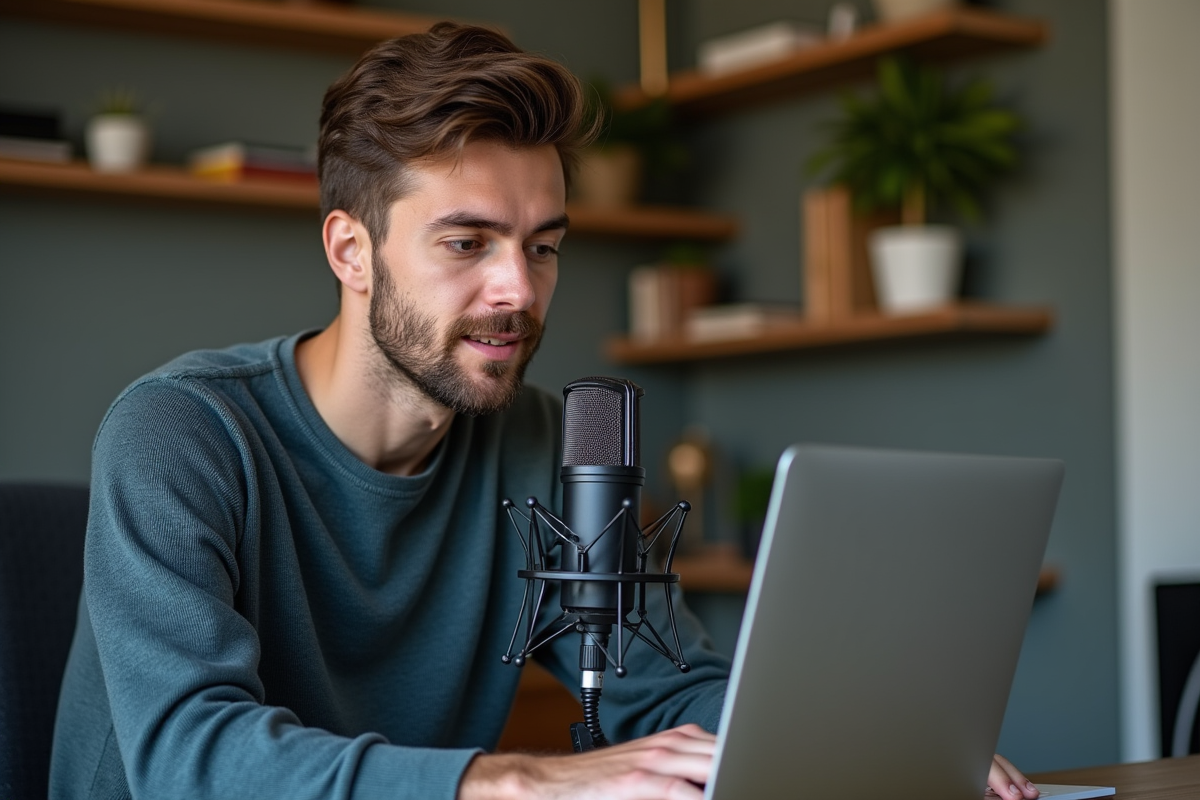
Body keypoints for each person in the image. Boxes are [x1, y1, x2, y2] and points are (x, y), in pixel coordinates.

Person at [50, 21, 1042, 800]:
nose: (518, 290)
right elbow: (188, 757)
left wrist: (868, 745)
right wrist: (509, 774)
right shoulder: (179, 432)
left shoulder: (547, 442)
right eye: (467, 242)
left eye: (544, 244)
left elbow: (666, 684)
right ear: (350, 251)